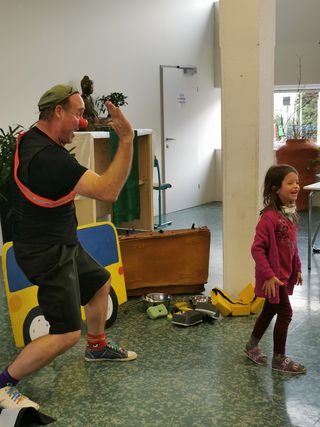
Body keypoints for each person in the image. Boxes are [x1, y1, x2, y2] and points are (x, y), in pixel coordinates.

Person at [0, 84, 137, 410]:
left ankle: (97, 346)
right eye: (77, 113)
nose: (83, 121)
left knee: (100, 282)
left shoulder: (31, 138)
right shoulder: (49, 159)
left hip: (58, 241)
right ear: (57, 111)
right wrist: (127, 140)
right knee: (65, 334)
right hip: (46, 253)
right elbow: (109, 191)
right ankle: (4, 383)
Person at [244, 164, 306, 374]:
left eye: (297, 182)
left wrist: (297, 267)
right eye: (290, 183)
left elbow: (293, 245)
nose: (296, 186)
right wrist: (269, 276)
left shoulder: (289, 214)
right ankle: (279, 359)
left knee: (270, 309)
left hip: (284, 275)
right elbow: (257, 249)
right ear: (275, 189)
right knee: (286, 313)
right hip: (274, 277)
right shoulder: (269, 218)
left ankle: (251, 346)